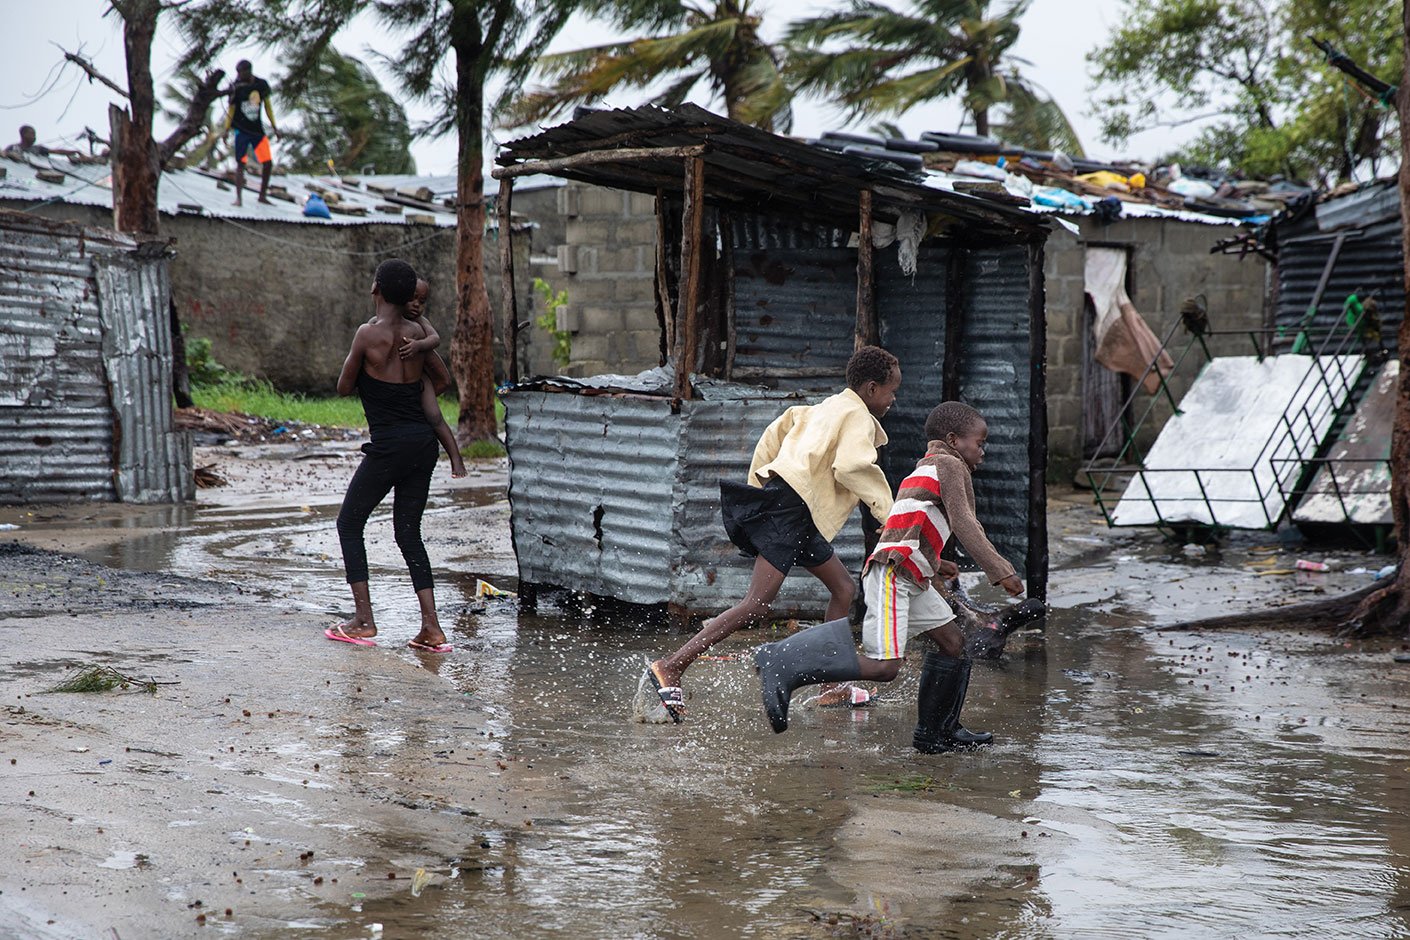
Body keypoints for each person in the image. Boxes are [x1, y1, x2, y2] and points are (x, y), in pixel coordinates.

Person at [753, 400, 1026, 751]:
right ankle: (784, 664)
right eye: (979, 442)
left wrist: (935, 561)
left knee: (953, 644)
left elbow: (908, 523)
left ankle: (936, 734)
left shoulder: (929, 466)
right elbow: (965, 524)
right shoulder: (948, 465)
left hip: (912, 573)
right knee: (886, 668)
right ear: (955, 440)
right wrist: (1001, 571)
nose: (983, 451)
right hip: (893, 575)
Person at [646, 345, 901, 721]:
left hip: (795, 508)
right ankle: (673, 666)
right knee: (756, 604)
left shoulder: (825, 406)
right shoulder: (857, 416)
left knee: (844, 589)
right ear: (871, 388)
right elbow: (852, 466)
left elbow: (775, 433)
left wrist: (761, 486)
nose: (894, 399)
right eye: (892, 391)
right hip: (793, 512)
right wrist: (889, 515)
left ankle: (832, 686)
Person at [326, 259, 455, 653]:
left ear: (375, 289)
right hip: (422, 444)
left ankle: (364, 620)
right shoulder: (418, 333)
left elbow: (344, 387)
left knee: (349, 524)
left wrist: (368, 367)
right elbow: (442, 378)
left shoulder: (368, 334)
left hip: (389, 446)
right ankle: (431, 629)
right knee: (408, 533)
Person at [398, 277, 464, 478]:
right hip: (399, 386)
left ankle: (456, 459)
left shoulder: (420, 322)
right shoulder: (386, 322)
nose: (417, 305)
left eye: (422, 301)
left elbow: (435, 339)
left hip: (421, 377)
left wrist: (418, 345)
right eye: (412, 299)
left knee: (435, 417)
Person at [207, 60, 278, 207]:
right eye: (237, 72)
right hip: (241, 131)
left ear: (249, 71)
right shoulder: (236, 87)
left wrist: (274, 127)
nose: (239, 76)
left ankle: (262, 196)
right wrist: (226, 130)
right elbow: (231, 110)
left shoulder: (261, 85)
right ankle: (239, 198)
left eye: (242, 72)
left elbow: (268, 107)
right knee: (241, 163)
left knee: (267, 163)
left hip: (257, 131)